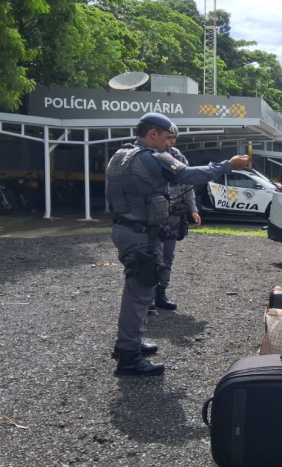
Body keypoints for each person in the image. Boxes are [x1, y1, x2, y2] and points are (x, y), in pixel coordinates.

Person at [107, 112, 250, 376]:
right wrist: (227, 165)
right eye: (167, 137)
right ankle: (128, 358)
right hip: (140, 235)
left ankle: (128, 344)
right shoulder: (152, 158)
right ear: (153, 134)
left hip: (124, 228)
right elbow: (187, 175)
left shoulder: (122, 155)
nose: (169, 144)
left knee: (135, 291)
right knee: (139, 296)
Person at [150, 131, 201, 311]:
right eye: (168, 138)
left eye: (173, 139)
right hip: (153, 216)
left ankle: (161, 294)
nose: (170, 143)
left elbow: (188, 185)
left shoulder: (178, 157)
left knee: (168, 257)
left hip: (174, 216)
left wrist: (193, 209)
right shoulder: (149, 156)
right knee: (152, 257)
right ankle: (147, 297)